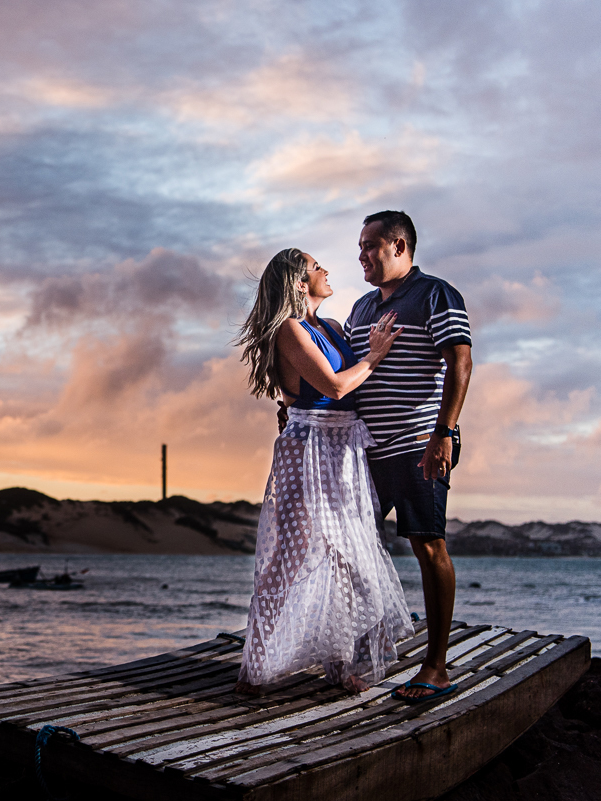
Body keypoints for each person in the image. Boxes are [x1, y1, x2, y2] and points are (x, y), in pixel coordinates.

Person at [234, 248, 414, 695]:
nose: (326, 270)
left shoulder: (331, 327)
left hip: (344, 448)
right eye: (316, 267)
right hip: (308, 447)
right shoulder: (289, 329)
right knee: (291, 556)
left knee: (346, 557)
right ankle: (256, 666)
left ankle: (341, 664)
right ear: (299, 283)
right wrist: (374, 356)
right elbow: (334, 387)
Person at [346, 210, 472, 703]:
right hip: (368, 452)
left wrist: (444, 432)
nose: (361, 255)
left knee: (428, 545)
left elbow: (460, 361)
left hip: (420, 445)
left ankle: (435, 667)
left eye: (369, 245)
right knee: (350, 547)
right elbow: (349, 373)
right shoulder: (361, 307)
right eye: (359, 246)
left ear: (398, 246)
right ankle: (359, 653)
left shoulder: (435, 294)